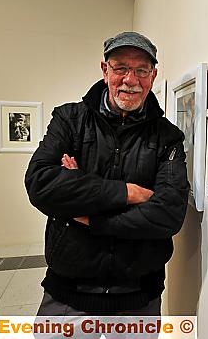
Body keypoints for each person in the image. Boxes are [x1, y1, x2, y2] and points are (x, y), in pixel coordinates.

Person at [25, 32, 189, 319]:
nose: (131, 80)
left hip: (139, 296)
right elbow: (41, 184)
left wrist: (90, 215)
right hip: (68, 292)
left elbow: (169, 213)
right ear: (105, 70)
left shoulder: (168, 138)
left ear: (153, 75)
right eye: (121, 68)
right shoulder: (69, 120)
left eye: (141, 70)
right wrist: (130, 193)